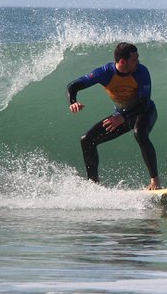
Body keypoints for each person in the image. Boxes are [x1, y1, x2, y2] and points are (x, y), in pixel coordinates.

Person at [66, 42, 160, 190]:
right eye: (134, 60)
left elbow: (144, 102)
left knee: (139, 133)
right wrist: (73, 101)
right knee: (86, 140)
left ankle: (155, 182)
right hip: (121, 115)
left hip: (144, 112)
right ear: (123, 61)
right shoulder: (105, 72)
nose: (138, 62)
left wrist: (123, 117)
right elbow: (73, 86)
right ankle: (94, 185)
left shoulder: (141, 71)